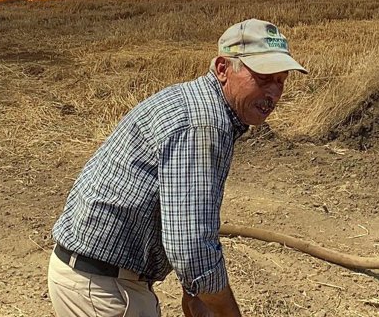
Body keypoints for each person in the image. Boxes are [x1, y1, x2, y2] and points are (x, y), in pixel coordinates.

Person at [47, 19, 307, 317]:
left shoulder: (197, 103)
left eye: (281, 80)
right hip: (103, 288)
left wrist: (194, 292)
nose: (273, 92)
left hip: (91, 276)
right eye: (263, 78)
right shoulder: (203, 124)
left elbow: (184, 213)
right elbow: (191, 246)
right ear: (223, 69)